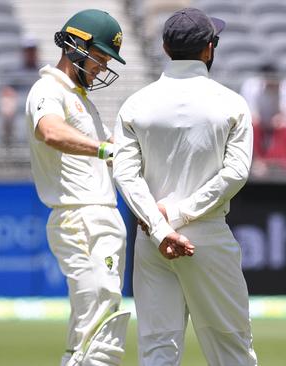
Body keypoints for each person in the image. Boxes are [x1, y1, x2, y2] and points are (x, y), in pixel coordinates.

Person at [113, 7, 257, 365]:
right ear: (209, 49)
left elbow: (125, 175)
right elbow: (236, 173)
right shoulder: (231, 103)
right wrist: (180, 213)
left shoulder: (135, 104)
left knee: (158, 351)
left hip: (153, 239)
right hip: (205, 235)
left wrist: (162, 228)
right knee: (231, 349)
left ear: (164, 47)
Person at [24, 9, 145, 366]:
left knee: (91, 327)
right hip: (79, 217)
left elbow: (115, 159)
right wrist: (105, 147)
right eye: (100, 56)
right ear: (76, 46)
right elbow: (50, 131)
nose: (103, 67)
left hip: (99, 216)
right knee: (100, 315)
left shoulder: (83, 101)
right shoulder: (47, 89)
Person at [240, 62, 286, 175]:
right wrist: (258, 119)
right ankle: (259, 161)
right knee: (253, 125)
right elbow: (250, 111)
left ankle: (282, 161)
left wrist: (280, 118)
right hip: (259, 122)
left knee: (284, 126)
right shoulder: (251, 85)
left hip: (278, 123)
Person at [0, 35, 42, 146]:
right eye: (27, 50)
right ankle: (8, 139)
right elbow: (7, 90)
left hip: (40, 102)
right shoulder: (15, 72)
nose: (30, 53)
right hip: (20, 102)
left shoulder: (43, 71)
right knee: (7, 104)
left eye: (32, 50)